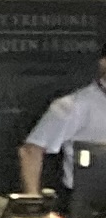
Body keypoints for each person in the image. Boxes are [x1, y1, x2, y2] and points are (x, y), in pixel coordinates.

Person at [17, 50, 106, 195]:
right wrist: (33, 201)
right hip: (88, 201)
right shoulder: (73, 106)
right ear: (103, 62)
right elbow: (30, 152)